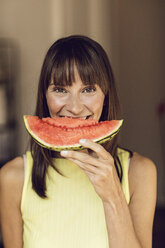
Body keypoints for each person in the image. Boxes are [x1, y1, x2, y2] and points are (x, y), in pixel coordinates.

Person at [0, 35, 157, 248]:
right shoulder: (13, 178)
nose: (74, 107)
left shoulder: (139, 172)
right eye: (60, 90)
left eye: (88, 89)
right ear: (44, 95)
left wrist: (113, 197)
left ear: (105, 94)